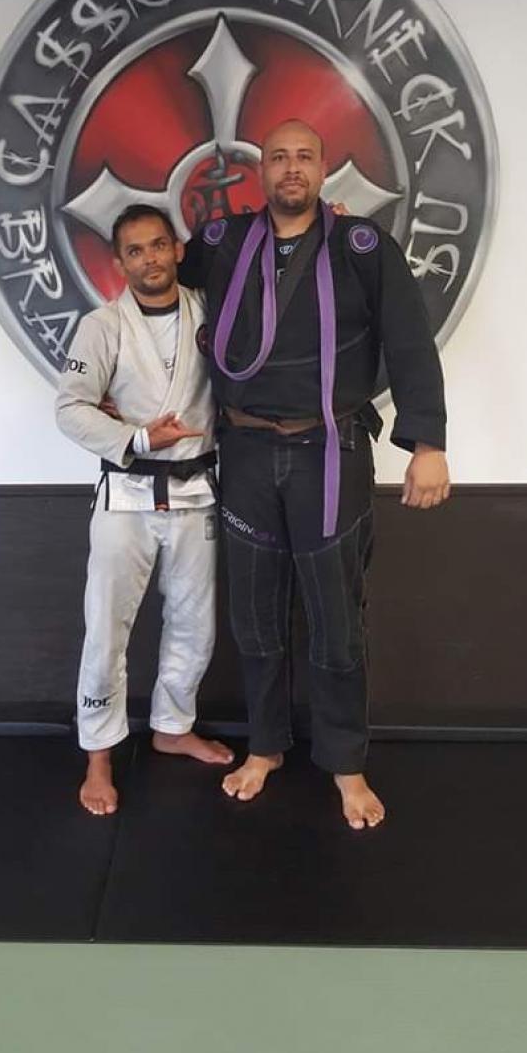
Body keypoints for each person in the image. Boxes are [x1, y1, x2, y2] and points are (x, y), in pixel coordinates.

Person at [178, 119, 450, 829]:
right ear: (260, 170)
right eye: (278, 157)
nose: (291, 167)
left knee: (335, 616)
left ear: (324, 169)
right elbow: (161, 301)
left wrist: (427, 442)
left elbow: (409, 340)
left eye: (304, 156)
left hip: (330, 451)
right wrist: (120, 385)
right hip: (244, 451)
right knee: (254, 612)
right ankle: (265, 747)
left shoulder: (361, 247)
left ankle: (345, 763)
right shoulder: (222, 242)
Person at [56, 204, 233, 816]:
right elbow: (71, 408)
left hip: (195, 490)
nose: (150, 259)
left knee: (195, 624)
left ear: (178, 249)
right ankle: (99, 752)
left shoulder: (210, 312)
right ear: (119, 262)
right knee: (107, 625)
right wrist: (136, 437)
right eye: (135, 251)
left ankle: (173, 727)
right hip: (126, 494)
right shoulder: (102, 326)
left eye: (159, 245)